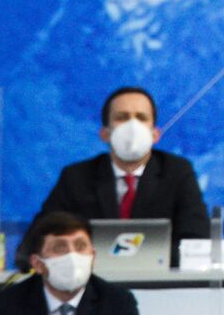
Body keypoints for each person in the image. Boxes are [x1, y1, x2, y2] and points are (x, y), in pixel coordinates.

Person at [37, 86, 209, 267]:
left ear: (155, 134)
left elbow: (196, 242)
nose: (132, 126)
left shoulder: (177, 172)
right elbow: (42, 236)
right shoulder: (76, 177)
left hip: (162, 285)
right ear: (104, 134)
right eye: (122, 117)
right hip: (92, 284)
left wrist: (148, 262)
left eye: (141, 118)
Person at [0, 211, 139, 315]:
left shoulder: (118, 304)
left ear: (93, 256)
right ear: (37, 263)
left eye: (80, 246)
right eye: (59, 248)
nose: (72, 256)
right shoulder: (3, 306)